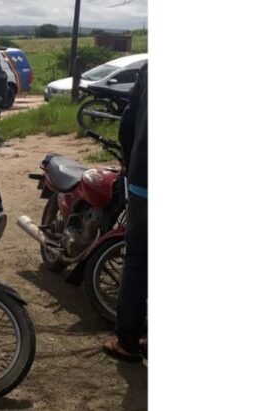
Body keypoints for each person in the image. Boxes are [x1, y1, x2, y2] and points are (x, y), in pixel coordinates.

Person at [103, 63, 148, 363]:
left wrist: (130, 164)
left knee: (138, 261)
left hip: (147, 183)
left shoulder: (150, 71)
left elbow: (128, 122)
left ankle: (129, 340)